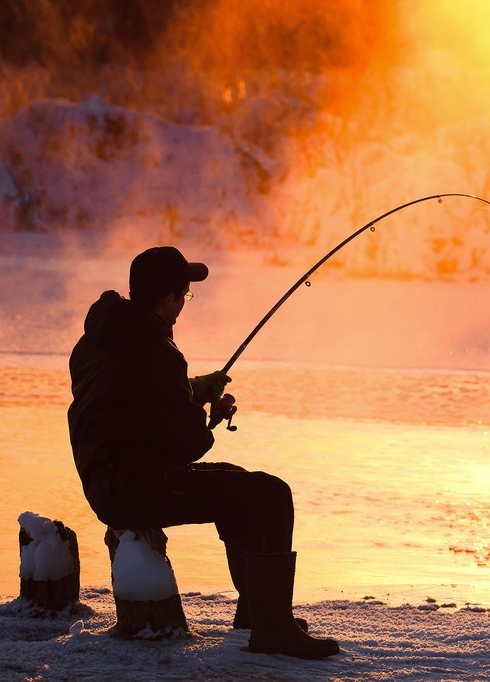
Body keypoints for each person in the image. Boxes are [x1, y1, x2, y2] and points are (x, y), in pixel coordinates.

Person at [67, 245, 338, 659]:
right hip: (136, 488)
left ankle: (257, 615)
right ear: (167, 298)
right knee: (271, 494)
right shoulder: (155, 350)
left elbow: (134, 399)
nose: (184, 304)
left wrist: (192, 389)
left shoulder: (100, 338)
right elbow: (189, 444)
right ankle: (272, 629)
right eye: (184, 295)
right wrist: (208, 409)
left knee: (237, 480)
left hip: (107, 478)